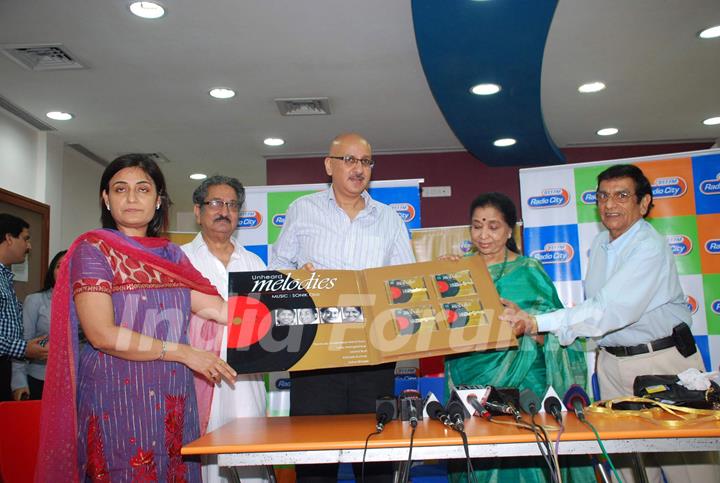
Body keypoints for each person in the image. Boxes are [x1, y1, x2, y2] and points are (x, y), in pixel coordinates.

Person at [506, 164, 720, 482]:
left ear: (644, 203)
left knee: (685, 467)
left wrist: (537, 322)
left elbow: (608, 310)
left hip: (662, 363)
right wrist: (541, 326)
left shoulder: (649, 247)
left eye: (621, 195)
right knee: (624, 466)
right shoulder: (601, 247)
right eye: (602, 196)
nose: (609, 204)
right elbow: (595, 312)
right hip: (612, 367)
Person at [36, 154, 236, 482]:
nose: (131, 198)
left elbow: (219, 309)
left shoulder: (171, 254)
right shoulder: (93, 249)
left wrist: (299, 297)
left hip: (172, 393)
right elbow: (102, 334)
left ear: (158, 200)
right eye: (120, 189)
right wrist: (184, 352)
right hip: (116, 393)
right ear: (106, 198)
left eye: (143, 189)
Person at [269, 132, 415, 483]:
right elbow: (275, 269)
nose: (358, 168)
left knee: (376, 459)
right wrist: (295, 277)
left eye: (366, 161)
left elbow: (405, 280)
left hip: (373, 354)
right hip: (316, 356)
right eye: (349, 159)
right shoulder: (302, 209)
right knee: (315, 462)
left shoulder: (389, 219)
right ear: (328, 165)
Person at [442, 193, 593, 483]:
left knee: (526, 461)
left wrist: (528, 324)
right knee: (478, 459)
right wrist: (442, 277)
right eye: (476, 226)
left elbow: (563, 333)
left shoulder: (529, 270)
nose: (483, 235)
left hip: (525, 387)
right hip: (471, 383)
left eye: (493, 227)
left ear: (511, 230)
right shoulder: (459, 271)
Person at [181, 174, 269, 483]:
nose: (225, 211)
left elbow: (268, 322)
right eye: (216, 203)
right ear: (197, 211)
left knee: (252, 465)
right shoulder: (181, 260)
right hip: (198, 380)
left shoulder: (255, 263)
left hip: (247, 380)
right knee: (205, 467)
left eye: (232, 205)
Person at [0, 213, 48, 401]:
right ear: (9, 238)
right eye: (26, 239)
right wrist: (24, 349)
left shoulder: (5, 277)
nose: (29, 247)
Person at [11, 250, 66, 400]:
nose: (65, 270)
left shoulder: (86, 304)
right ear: (52, 271)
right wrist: (19, 383)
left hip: (75, 382)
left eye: (70, 266)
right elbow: (23, 343)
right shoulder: (35, 300)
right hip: (40, 380)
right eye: (60, 266)